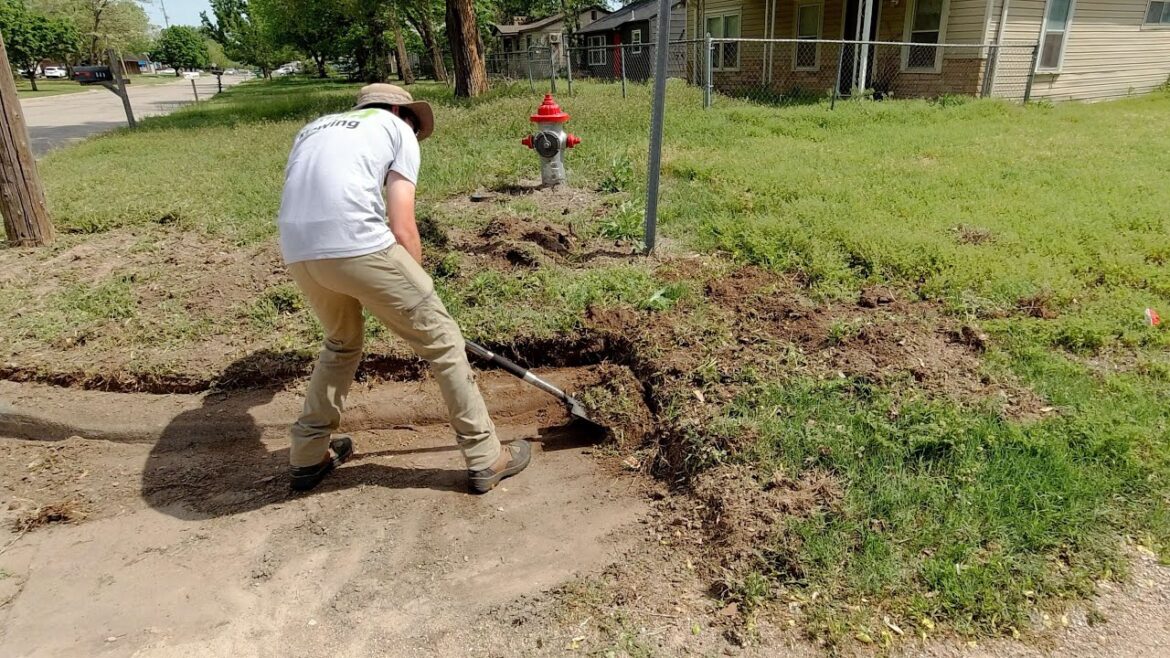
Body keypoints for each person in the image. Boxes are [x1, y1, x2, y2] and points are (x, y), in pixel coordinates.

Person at [276, 84, 531, 494]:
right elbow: (402, 223)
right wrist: (420, 292)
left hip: (298, 250)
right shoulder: (397, 129)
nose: (414, 131)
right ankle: (485, 455)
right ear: (399, 110)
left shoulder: (315, 128)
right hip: (358, 242)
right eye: (414, 123)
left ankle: (307, 454)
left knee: (341, 343)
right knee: (444, 341)